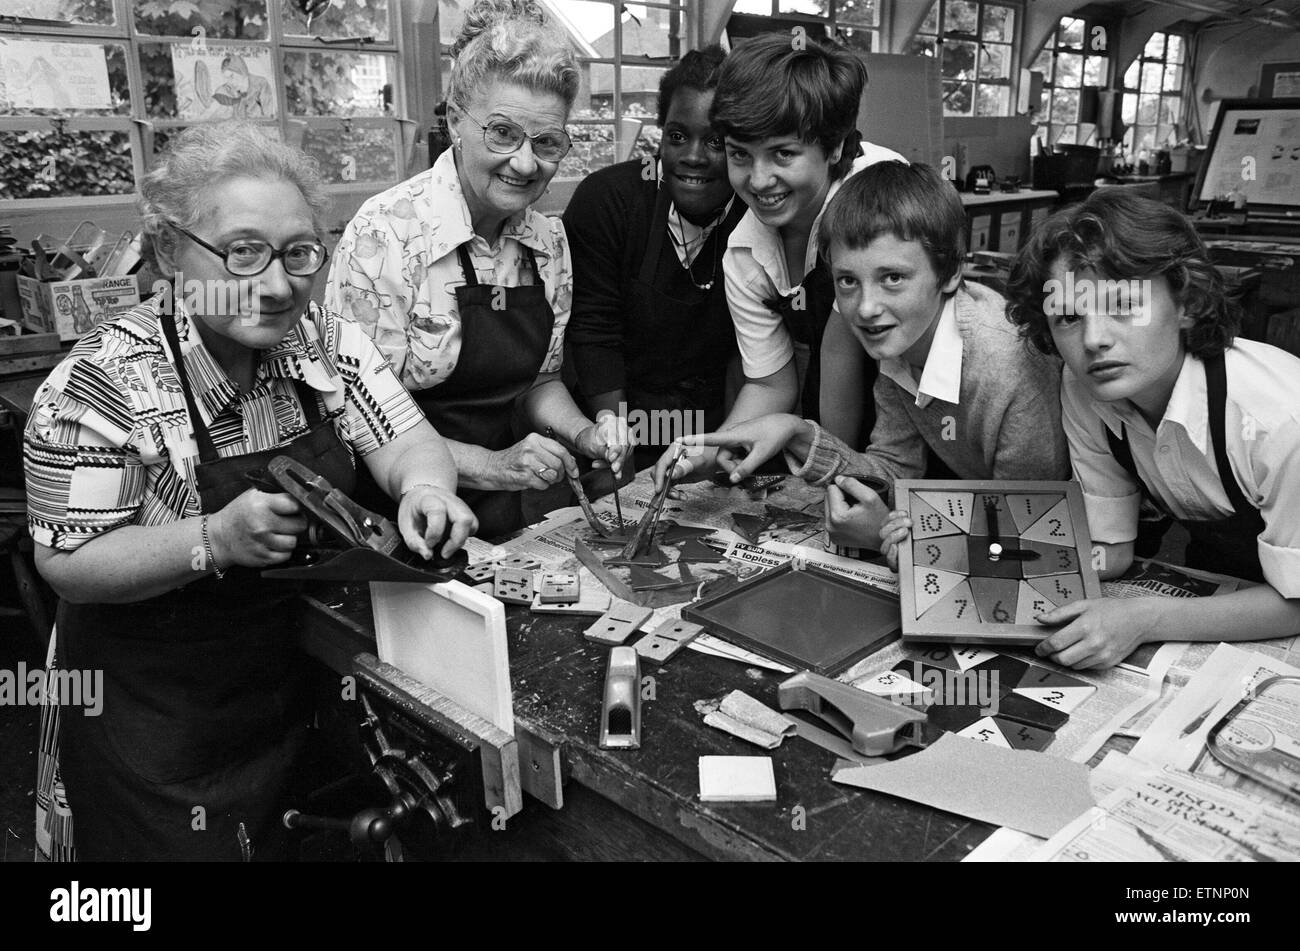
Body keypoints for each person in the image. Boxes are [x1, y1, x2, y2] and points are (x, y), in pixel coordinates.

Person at [23, 121, 477, 861]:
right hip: (157, 719)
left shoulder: (323, 338)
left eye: (299, 253)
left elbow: (407, 440)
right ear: (171, 251)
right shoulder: (102, 382)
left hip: (293, 685)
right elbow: (69, 562)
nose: (275, 284)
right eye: (241, 252)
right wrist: (213, 540)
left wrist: (425, 488)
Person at [325, 0, 630, 537]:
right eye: (503, 133)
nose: (525, 163)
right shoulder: (387, 235)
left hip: (501, 507)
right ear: (455, 121)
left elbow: (540, 380)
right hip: (399, 511)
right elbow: (356, 420)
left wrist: (585, 434)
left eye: (547, 142)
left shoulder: (547, 241)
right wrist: (493, 465)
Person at [682, 161, 1069, 549]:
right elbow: (893, 471)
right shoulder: (903, 338)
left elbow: (1030, 532)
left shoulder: (1008, 368)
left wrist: (889, 540)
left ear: (950, 272)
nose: (866, 308)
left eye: (893, 278)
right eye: (848, 281)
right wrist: (796, 433)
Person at [1001, 189, 1300, 669]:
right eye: (1068, 317)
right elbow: (1111, 551)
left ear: (1186, 302)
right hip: (1238, 584)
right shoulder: (1087, 393)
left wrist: (1143, 618)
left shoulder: (1279, 421)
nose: (1094, 340)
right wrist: (996, 561)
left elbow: (1296, 600)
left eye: (1123, 305)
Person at [653, 33, 906, 489]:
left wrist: (828, 467)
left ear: (834, 148)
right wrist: (709, 451)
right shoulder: (745, 251)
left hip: (914, 435)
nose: (759, 179)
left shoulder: (876, 199)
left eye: (783, 154)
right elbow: (772, 384)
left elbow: (840, 356)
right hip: (833, 439)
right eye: (739, 155)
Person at [564, 46, 744, 472]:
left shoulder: (756, 214)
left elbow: (753, 355)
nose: (693, 156)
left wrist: (722, 453)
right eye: (677, 136)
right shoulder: (609, 201)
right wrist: (616, 449)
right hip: (613, 419)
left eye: (716, 141)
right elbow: (594, 331)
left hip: (711, 428)